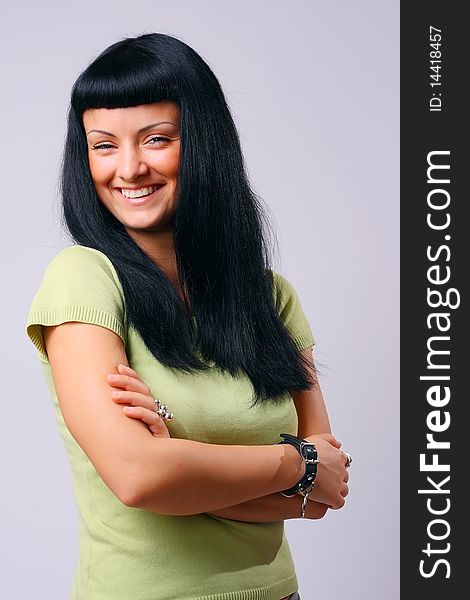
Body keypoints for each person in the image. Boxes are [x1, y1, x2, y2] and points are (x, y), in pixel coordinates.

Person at [26, 32, 351, 600]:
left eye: (156, 139)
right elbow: (138, 477)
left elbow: (326, 491)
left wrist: (181, 465)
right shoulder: (85, 279)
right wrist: (295, 461)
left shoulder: (270, 297)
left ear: (204, 143)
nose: (128, 168)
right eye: (103, 145)